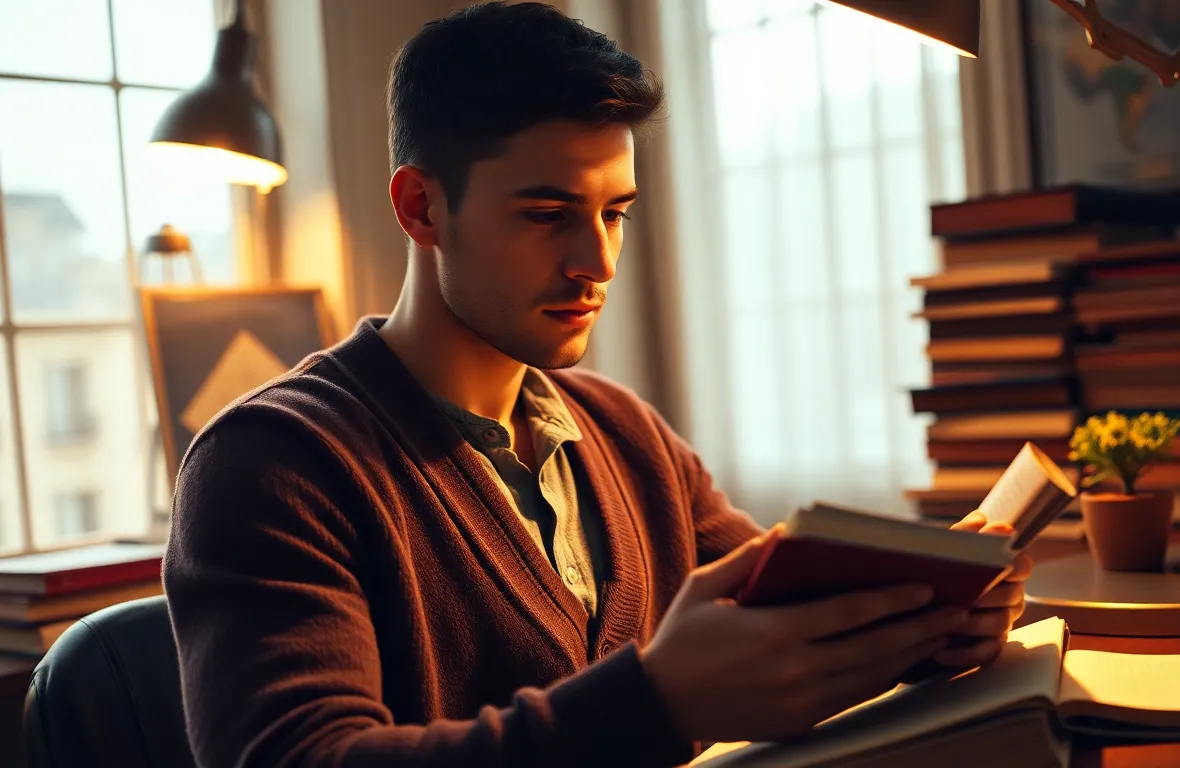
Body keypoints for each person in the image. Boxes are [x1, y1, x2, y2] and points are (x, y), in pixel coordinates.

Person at [162, 3, 1031, 767]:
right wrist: (655, 705)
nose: (599, 262)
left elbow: (777, 628)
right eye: (547, 216)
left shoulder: (630, 437)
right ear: (420, 208)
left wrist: (927, 631)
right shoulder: (272, 466)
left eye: (614, 212)